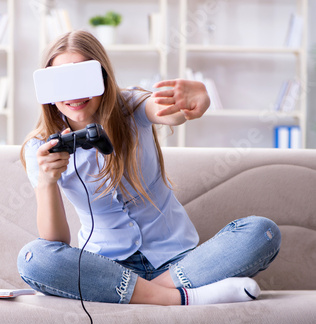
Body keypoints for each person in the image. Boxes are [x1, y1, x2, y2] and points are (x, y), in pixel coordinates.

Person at [17, 30, 281, 306]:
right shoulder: (39, 148)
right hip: (106, 268)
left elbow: (167, 111)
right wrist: (47, 182)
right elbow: (55, 242)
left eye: (83, 78)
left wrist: (195, 101)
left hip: (177, 262)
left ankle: (146, 295)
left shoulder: (130, 105)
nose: (75, 94)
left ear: (103, 77)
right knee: (33, 259)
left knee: (263, 232)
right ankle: (184, 298)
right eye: (62, 82)